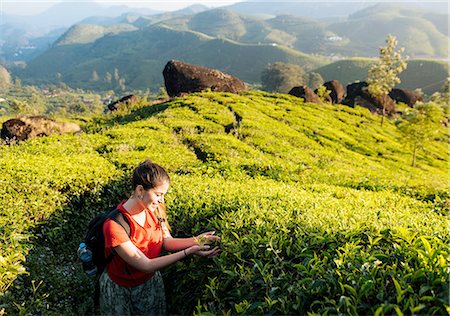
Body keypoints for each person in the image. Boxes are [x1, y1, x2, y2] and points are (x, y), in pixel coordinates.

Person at [99, 159, 221, 315]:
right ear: (140, 190)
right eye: (158, 194)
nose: (161, 200)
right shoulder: (114, 225)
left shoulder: (155, 209)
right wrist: (188, 251)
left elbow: (166, 242)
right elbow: (145, 264)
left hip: (149, 282)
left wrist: (196, 241)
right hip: (119, 289)